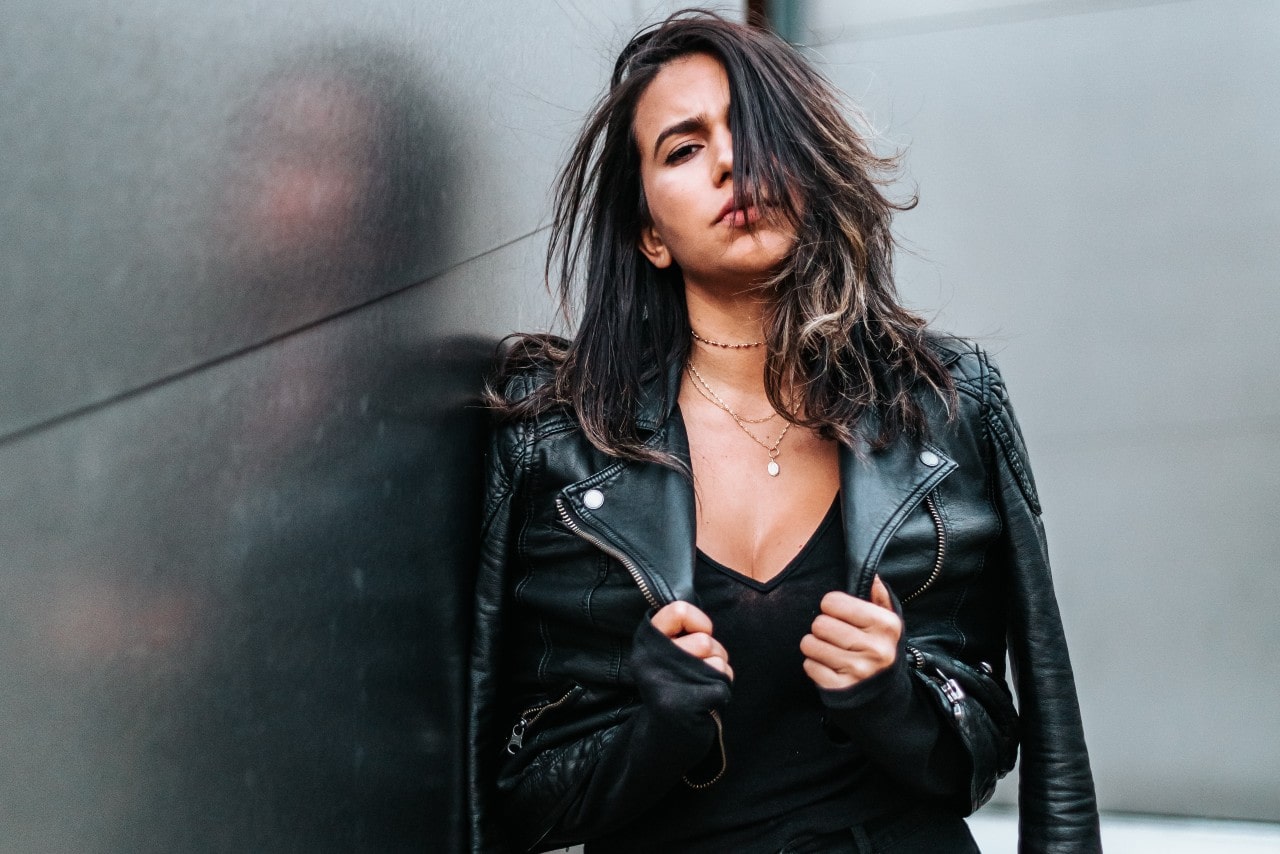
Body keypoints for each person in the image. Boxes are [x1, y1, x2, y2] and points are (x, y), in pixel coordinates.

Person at [469, 10, 1101, 853]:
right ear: (650, 232)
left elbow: (1002, 747)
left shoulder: (946, 404)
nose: (732, 161)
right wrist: (651, 728)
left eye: (755, 130)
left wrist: (894, 696)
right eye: (684, 148)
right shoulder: (560, 440)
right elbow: (508, 797)